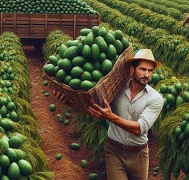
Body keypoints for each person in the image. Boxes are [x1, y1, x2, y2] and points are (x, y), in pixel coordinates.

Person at [54, 49, 164, 180]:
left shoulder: (155, 99)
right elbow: (94, 109)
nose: (146, 74)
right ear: (133, 68)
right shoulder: (116, 88)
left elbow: (139, 128)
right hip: (114, 151)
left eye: (150, 71)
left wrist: (110, 116)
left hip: (139, 154)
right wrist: (70, 101)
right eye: (142, 69)